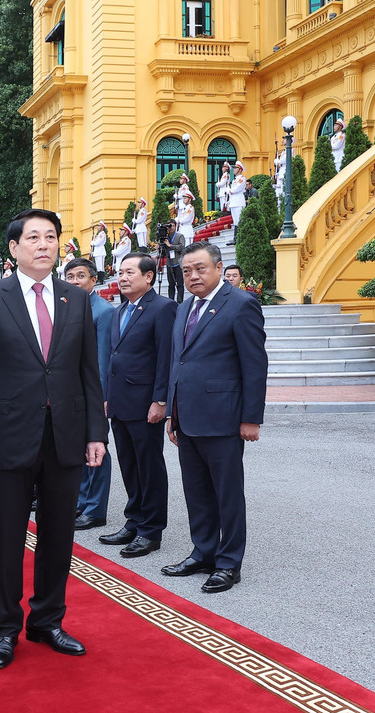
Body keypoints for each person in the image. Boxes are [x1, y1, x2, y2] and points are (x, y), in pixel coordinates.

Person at [0, 208, 107, 670]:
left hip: (64, 436)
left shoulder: (76, 299)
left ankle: (48, 620)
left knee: (59, 535)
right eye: (33, 237)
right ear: (14, 248)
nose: (43, 245)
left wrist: (95, 434)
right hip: (7, 438)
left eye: (51, 237)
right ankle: (6, 627)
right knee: (7, 537)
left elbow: (88, 372)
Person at [161, 242, 268, 593]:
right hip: (187, 418)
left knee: (227, 493)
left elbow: (254, 366)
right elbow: (179, 363)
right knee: (196, 491)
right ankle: (203, 551)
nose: (192, 276)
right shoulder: (184, 308)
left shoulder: (240, 304)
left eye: (200, 268)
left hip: (223, 419)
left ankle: (228, 562)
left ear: (219, 268)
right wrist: (171, 413)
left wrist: (250, 419)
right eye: (186, 271)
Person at [99, 253, 177, 557]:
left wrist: (160, 400)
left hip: (145, 403)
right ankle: (134, 519)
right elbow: (113, 358)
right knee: (129, 465)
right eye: (120, 272)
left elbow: (164, 357)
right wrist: (108, 395)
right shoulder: (120, 311)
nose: (123, 277)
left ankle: (151, 529)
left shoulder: (163, 308)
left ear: (149, 276)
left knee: (149, 465)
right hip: (120, 401)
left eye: (130, 272)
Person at [63, 258, 115, 530]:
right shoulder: (66, 306)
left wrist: (101, 397)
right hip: (69, 392)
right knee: (77, 447)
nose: (74, 281)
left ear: (94, 280)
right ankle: (81, 501)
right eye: (69, 276)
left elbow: (103, 358)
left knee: (96, 447)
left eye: (80, 276)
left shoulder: (103, 311)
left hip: (92, 393)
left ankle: (95, 508)